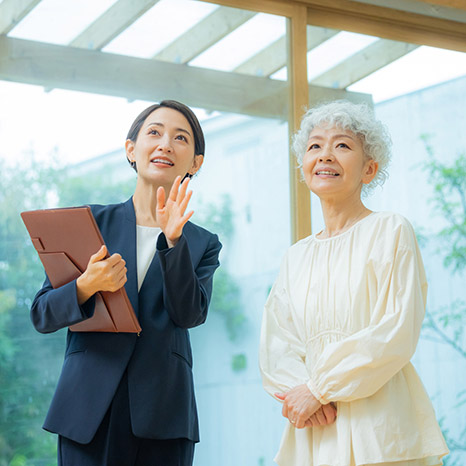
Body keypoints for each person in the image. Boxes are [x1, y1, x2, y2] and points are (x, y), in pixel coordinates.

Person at [30, 100, 222, 466]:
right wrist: (86, 285)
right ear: (131, 150)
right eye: (154, 132)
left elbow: (189, 314)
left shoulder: (202, 243)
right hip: (88, 409)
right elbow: (42, 314)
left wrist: (174, 243)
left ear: (195, 162)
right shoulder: (89, 223)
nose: (165, 143)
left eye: (180, 138)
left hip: (165, 413)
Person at [259, 100, 449, 466]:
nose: (325, 155)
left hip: (379, 426)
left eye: (342, 145)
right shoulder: (295, 257)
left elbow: (396, 329)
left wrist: (319, 388)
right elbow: (276, 346)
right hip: (316, 426)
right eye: (315, 146)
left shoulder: (390, 230)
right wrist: (306, 395)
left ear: (369, 168)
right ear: (304, 166)